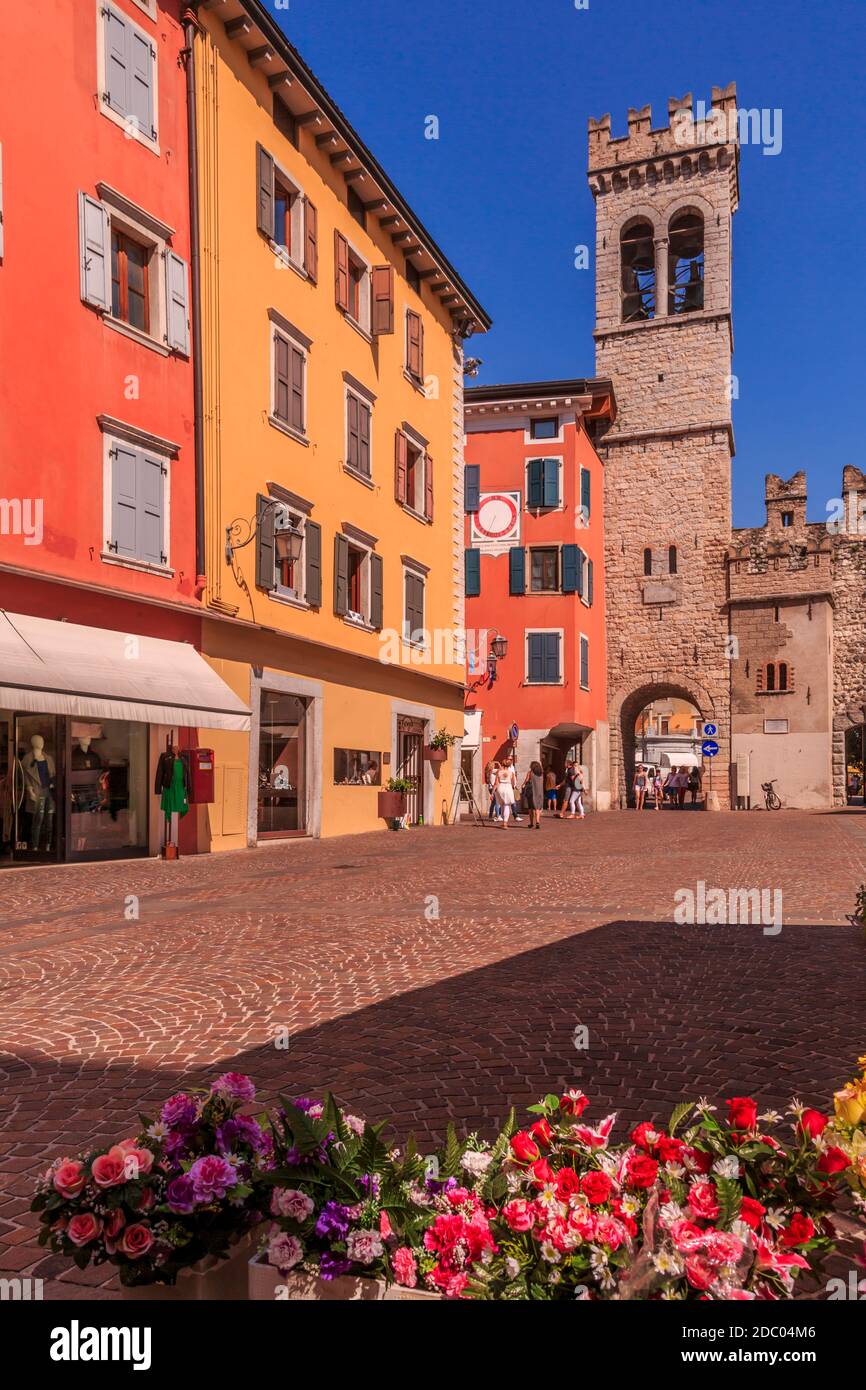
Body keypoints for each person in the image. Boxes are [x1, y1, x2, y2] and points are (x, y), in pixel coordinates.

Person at [522, 759, 545, 829]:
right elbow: (542, 782)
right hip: (539, 792)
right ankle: (537, 822)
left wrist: (523, 785)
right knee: (537, 808)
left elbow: (526, 781)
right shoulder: (541, 773)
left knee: (531, 808)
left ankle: (531, 823)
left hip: (531, 792)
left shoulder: (530, 773)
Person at [495, 757, 517, 827]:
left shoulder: (498, 772)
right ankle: (505, 823)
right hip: (508, 787)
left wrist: (492, 792)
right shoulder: (511, 773)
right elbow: (514, 783)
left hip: (500, 787)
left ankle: (503, 820)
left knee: (502, 805)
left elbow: (496, 783)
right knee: (507, 805)